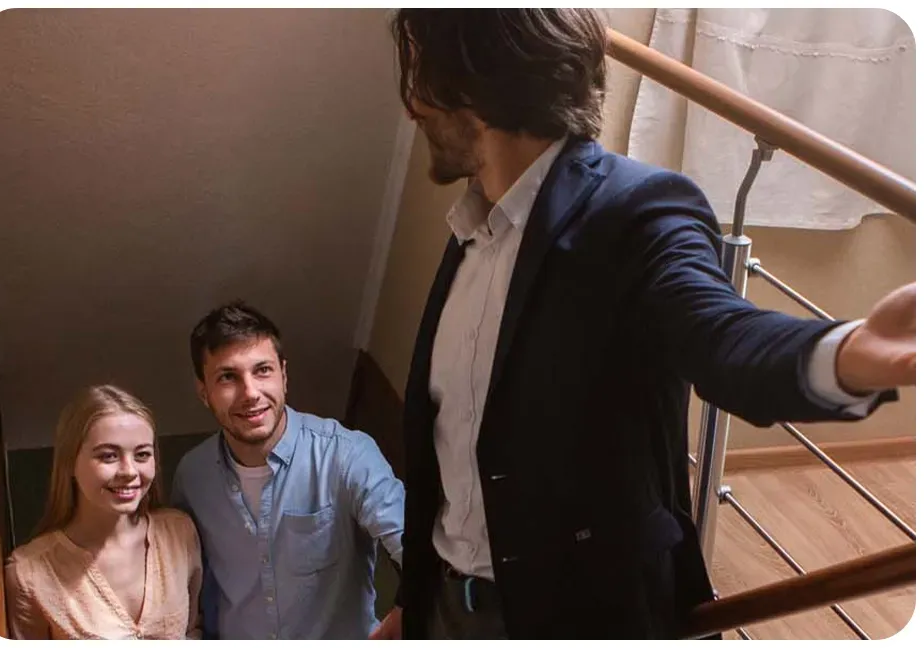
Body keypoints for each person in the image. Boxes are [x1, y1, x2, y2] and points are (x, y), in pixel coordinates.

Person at [389, 8, 916, 639]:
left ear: (476, 81)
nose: (412, 105)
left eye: (420, 70)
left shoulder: (637, 210)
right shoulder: (474, 226)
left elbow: (721, 337)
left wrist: (848, 354)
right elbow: (444, 449)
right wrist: (413, 604)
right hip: (446, 608)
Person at [171, 301, 405, 639]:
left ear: (283, 374)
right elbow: (186, 585)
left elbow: (414, 547)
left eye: (262, 370)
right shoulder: (191, 476)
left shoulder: (347, 454)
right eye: (227, 377)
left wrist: (406, 612)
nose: (250, 393)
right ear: (203, 392)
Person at [4, 385, 203, 640]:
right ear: (69, 462)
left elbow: (193, 629)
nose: (129, 471)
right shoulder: (29, 573)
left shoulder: (179, 532)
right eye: (108, 456)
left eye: (142, 454)